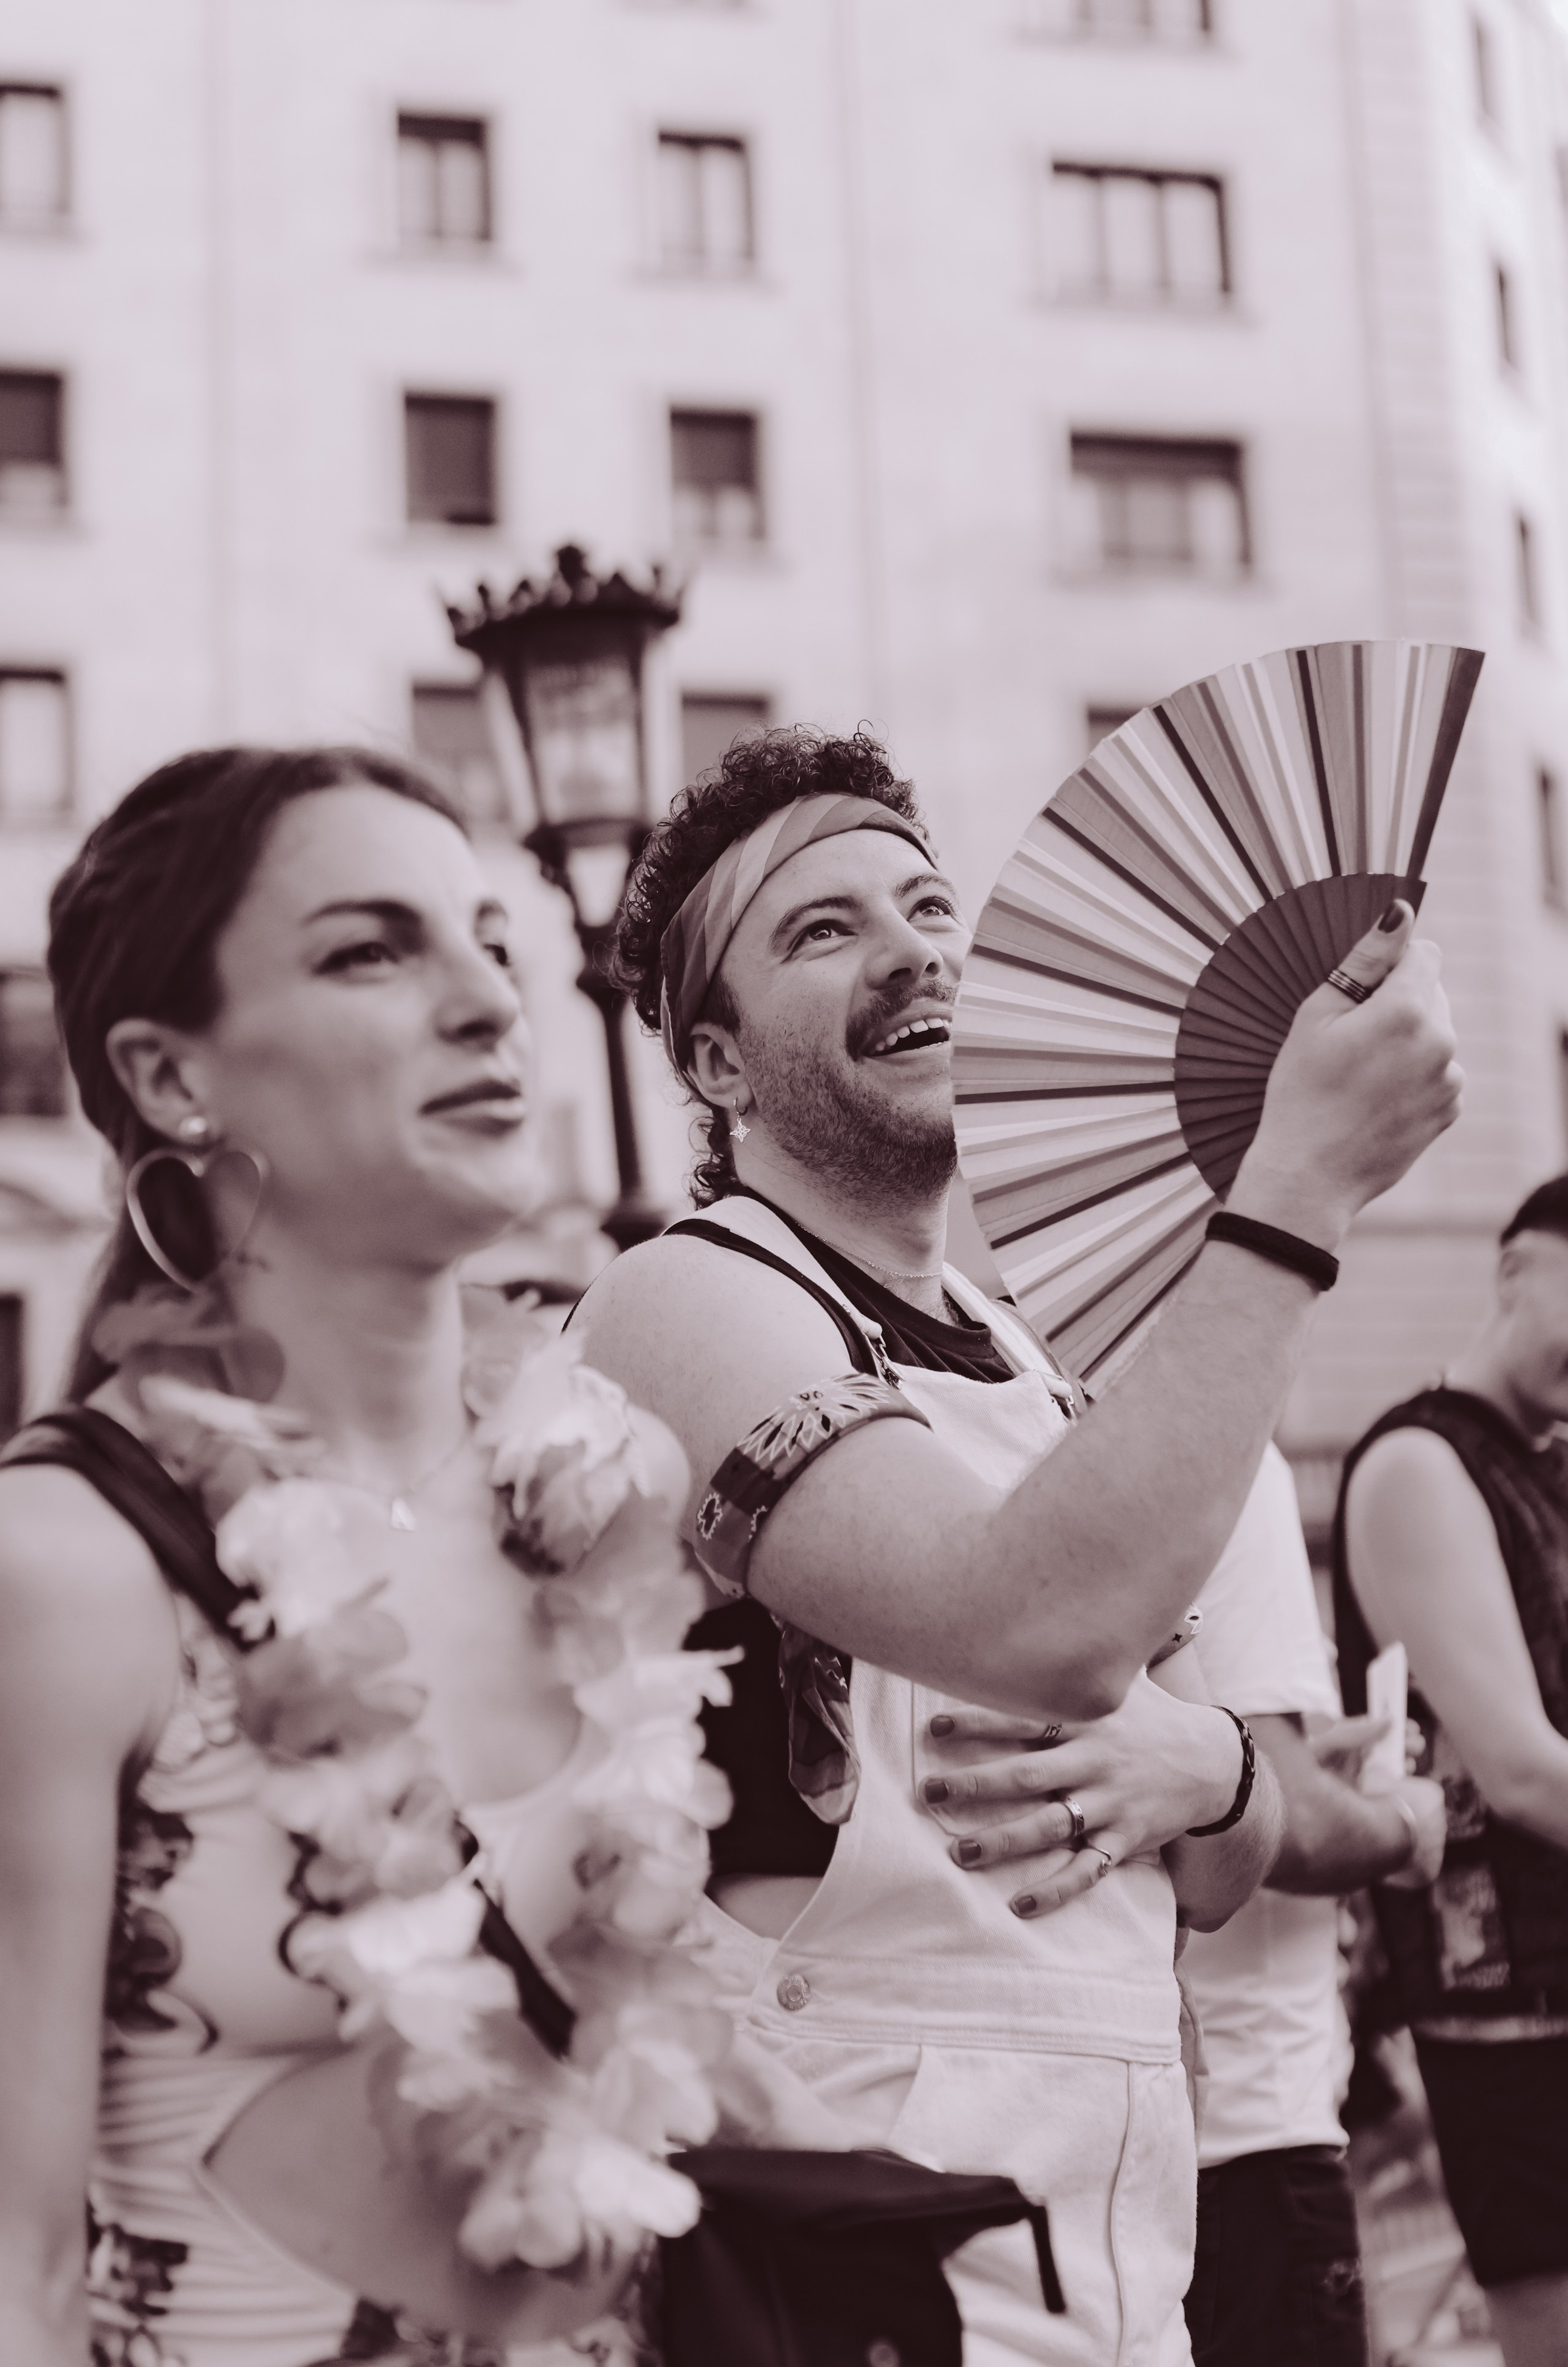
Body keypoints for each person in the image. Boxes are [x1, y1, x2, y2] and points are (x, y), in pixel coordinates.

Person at [572, 725, 1462, 2364]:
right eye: (820, 926)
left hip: (1120, 2248)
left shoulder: (1036, 1356)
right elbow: (1037, 1624)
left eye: (925, 906)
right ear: (711, 1064)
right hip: (840, 2233)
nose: (913, 945)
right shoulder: (684, 1296)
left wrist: (1208, 1766)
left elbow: (1217, 1863)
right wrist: (1298, 1188)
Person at [0, 747, 741, 2366]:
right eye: (372, 949)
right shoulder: (58, 1568)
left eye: (491, 940)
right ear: (169, 1076)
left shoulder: (598, 1510)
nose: (493, 1002)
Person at [1336, 1174, 1568, 2367]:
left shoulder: (1550, 1463)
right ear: (1520, 1265)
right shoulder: (1420, 1464)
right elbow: (1525, 1773)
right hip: (1517, 2015)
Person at [1180, 1443, 1446, 2367]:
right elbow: (1282, 1837)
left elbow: (1226, 1781)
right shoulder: (1231, 1462)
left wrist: (1291, 1779)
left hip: (1160, 2114)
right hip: (1248, 2123)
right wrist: (1407, 1821)